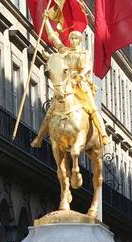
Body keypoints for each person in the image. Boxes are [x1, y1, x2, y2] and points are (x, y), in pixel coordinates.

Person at [31, 16, 109, 149]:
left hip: (79, 84)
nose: (72, 41)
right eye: (71, 38)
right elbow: (53, 38)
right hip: (65, 83)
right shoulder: (65, 52)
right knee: (51, 110)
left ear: (79, 41)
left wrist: (80, 75)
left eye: (75, 39)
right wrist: (46, 21)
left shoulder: (84, 53)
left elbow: (87, 67)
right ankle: (39, 137)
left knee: (92, 108)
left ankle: (103, 134)